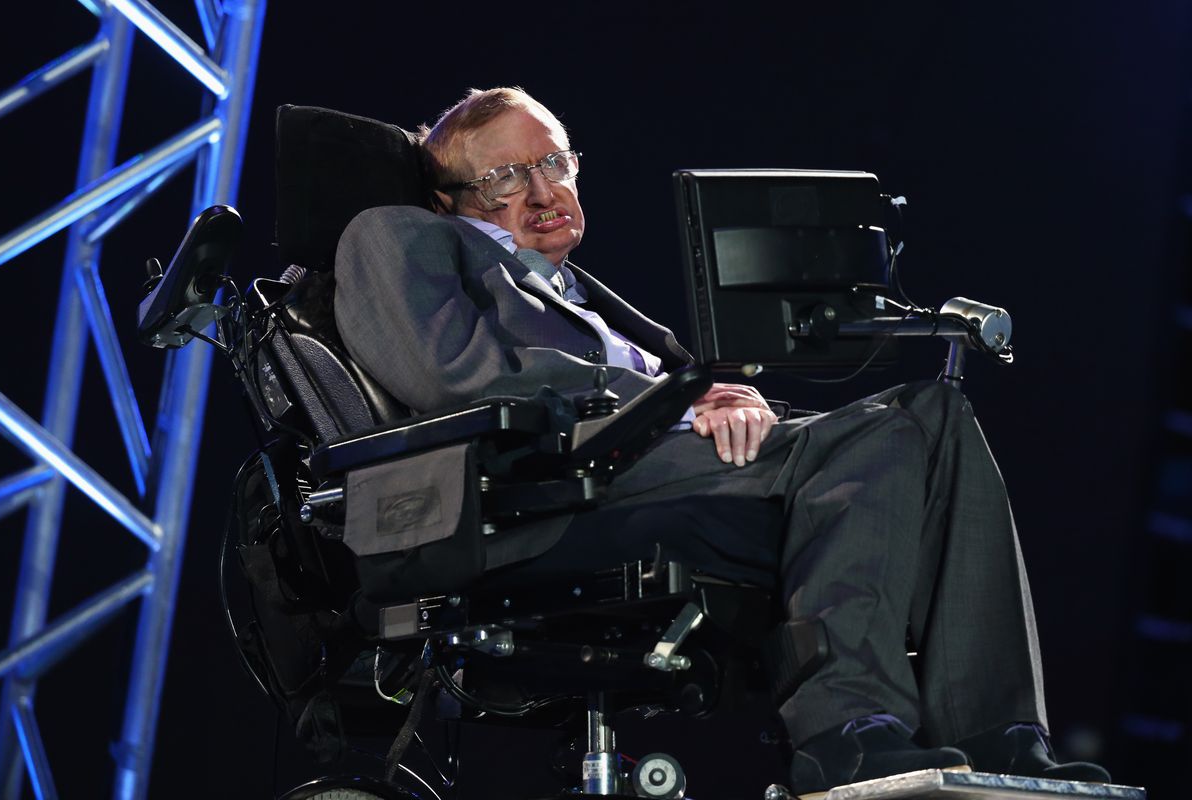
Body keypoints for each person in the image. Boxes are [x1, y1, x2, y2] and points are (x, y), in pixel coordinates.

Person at [332, 87, 1109, 796]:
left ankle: (1001, 737)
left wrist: (718, 394)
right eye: (506, 178)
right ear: (448, 197)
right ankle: (843, 735)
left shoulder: (575, 291)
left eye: (555, 164)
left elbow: (665, 383)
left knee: (935, 416)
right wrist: (677, 398)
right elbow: (454, 376)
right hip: (545, 487)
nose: (542, 193)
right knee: (884, 434)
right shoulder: (397, 234)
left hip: (654, 459)